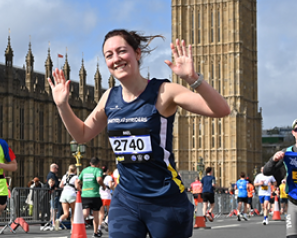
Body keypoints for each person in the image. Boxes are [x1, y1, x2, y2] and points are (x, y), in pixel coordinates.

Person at [49, 30, 230, 238]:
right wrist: (62, 105)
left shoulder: (164, 91)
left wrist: (193, 78)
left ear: (137, 53)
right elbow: (82, 134)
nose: (116, 58)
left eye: (121, 51)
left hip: (165, 200)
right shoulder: (109, 97)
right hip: (126, 200)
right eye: (109, 55)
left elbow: (221, 110)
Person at [76, 157, 103, 237]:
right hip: (95, 195)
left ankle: (76, 225)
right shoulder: (98, 170)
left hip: (85, 195)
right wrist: (103, 185)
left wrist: (80, 189)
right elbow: (99, 180)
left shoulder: (84, 170)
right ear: (98, 164)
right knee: (96, 214)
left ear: (90, 163)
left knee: (85, 213)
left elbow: (77, 181)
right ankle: (95, 233)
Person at [55, 165, 78, 230]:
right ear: (75, 170)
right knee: (73, 213)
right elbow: (76, 186)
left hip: (64, 195)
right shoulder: (76, 177)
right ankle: (73, 229)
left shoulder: (64, 176)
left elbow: (60, 185)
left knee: (66, 213)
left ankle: (59, 220)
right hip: (72, 195)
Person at [46, 163, 61, 229]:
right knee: (54, 208)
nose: (57, 170)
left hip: (54, 194)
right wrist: (54, 186)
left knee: (53, 208)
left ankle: (51, 221)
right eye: (57, 169)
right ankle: (53, 222)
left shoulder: (51, 175)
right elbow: (50, 183)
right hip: (54, 194)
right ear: (54, 168)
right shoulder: (51, 175)